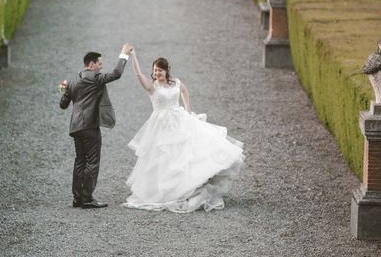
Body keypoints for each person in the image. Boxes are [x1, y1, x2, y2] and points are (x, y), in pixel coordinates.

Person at [123, 50, 244, 213]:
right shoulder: (152, 87)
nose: (157, 73)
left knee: (188, 153)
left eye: (160, 70)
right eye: (155, 70)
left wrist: (188, 110)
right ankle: (170, 190)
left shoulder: (176, 83)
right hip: (161, 125)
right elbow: (138, 74)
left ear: (167, 71)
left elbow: (184, 91)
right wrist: (134, 56)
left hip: (179, 120)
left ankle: (190, 186)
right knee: (166, 158)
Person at [59, 44, 133, 209]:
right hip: (90, 126)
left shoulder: (72, 80)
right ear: (91, 64)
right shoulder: (95, 77)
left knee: (80, 161)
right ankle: (87, 199)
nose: (101, 67)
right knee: (92, 161)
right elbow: (117, 74)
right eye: (99, 63)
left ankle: (77, 198)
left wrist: (64, 89)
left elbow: (63, 105)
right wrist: (123, 55)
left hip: (75, 127)